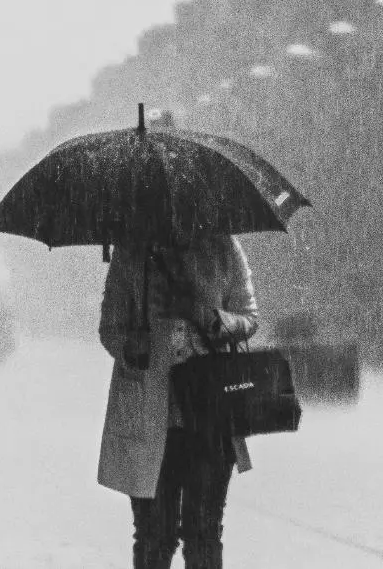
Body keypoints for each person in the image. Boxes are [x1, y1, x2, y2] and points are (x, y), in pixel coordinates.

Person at [97, 233, 259, 569]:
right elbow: (110, 327)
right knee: (155, 534)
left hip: (211, 413)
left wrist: (205, 315)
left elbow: (248, 318)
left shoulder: (223, 247)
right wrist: (130, 345)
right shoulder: (131, 251)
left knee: (203, 533)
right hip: (149, 415)